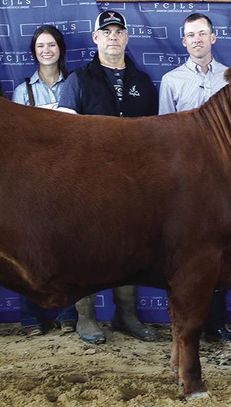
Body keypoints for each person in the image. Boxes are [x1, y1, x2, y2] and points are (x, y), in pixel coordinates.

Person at [58, 10, 159, 344]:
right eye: (107, 32)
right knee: (84, 250)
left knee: (129, 250)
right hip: (87, 185)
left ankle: (126, 314)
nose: (113, 37)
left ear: (126, 38)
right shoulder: (78, 81)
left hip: (133, 186)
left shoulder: (142, 82)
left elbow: (153, 138)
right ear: (96, 38)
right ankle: (85, 318)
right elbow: (64, 136)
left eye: (119, 32)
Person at [158, 13, 231, 342]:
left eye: (202, 33)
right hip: (184, 181)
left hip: (224, 174)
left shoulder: (230, 79)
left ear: (213, 38)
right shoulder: (172, 80)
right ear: (183, 41)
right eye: (190, 35)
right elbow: (164, 133)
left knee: (219, 246)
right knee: (185, 250)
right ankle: (184, 326)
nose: (196, 39)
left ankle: (216, 323)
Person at [12, 25, 78, 336]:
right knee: (29, 249)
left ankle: (67, 314)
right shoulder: (22, 90)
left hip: (68, 178)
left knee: (65, 247)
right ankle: (30, 317)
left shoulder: (75, 84)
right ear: (34, 51)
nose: (47, 50)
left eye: (51, 44)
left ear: (60, 49)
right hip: (32, 181)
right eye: (41, 46)